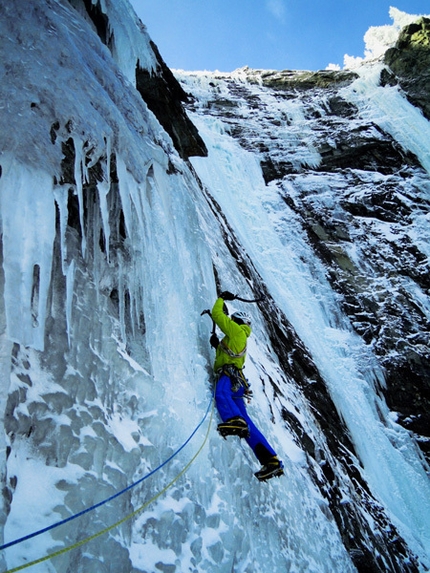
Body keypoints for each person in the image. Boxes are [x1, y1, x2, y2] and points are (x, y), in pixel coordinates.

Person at [210, 291, 284, 482]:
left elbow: (217, 315)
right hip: (239, 383)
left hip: (229, 377)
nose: (231, 322)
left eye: (233, 319)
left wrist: (221, 299)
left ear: (237, 321)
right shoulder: (241, 337)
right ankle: (271, 459)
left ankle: (234, 420)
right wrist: (217, 345)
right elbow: (229, 352)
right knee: (248, 423)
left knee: (221, 396)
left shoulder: (236, 330)